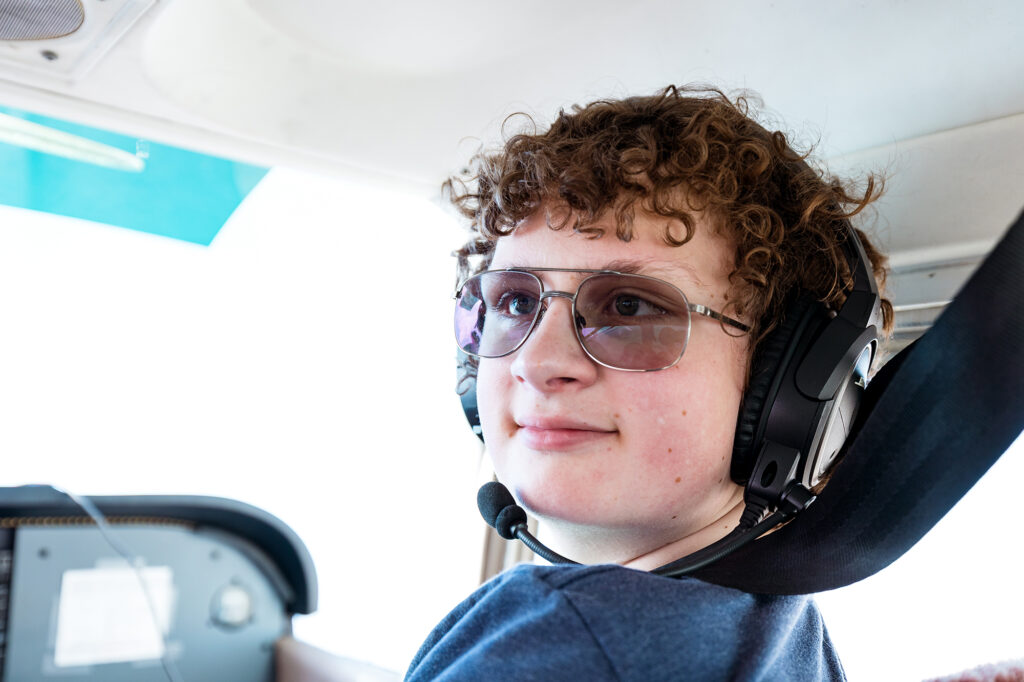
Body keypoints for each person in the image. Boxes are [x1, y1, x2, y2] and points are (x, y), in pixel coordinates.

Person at [405, 85, 894, 681]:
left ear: (790, 394)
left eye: (629, 307)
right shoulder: (784, 638)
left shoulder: (567, 646)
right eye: (515, 301)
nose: (537, 362)